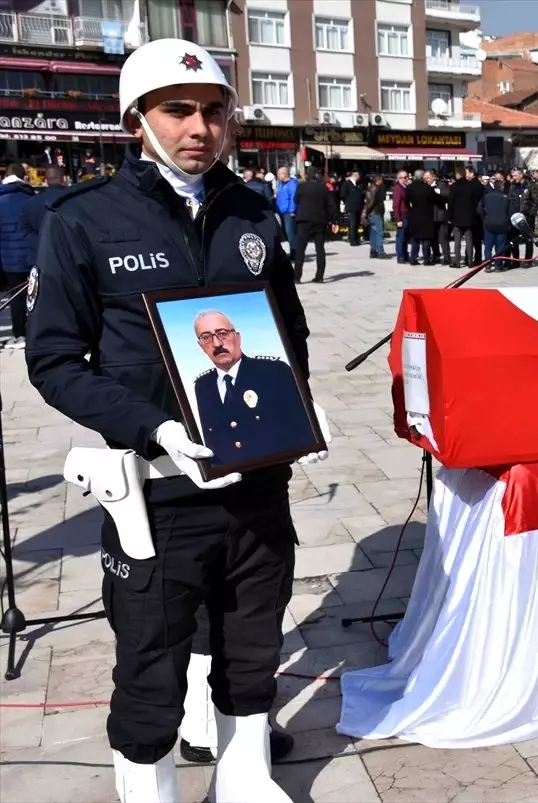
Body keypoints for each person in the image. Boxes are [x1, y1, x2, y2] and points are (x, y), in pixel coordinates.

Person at [24, 39, 329, 801]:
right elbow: (55, 359)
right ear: (137, 119)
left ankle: (245, 775)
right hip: (158, 494)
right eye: (178, 110)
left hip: (257, 478)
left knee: (253, 642)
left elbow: (286, 328)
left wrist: (298, 396)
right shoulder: (83, 220)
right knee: (152, 665)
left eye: (214, 111)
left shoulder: (252, 212)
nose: (201, 126)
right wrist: (152, 426)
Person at [192, 310, 317, 466]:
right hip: (226, 478)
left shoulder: (274, 372)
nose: (217, 343)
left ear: (237, 337)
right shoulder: (203, 386)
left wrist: (310, 442)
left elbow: (299, 424)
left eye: (222, 333)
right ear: (201, 345)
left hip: (269, 473)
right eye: (206, 337)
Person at [0, 162, 37, 350]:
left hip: (9, 259)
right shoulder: (29, 198)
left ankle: (20, 334)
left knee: (16, 299)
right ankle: (40, 332)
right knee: (37, 296)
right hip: (32, 255)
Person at [293, 167, 336, 282]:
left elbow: (296, 200)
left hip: (304, 219)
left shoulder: (302, 186)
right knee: (320, 249)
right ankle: (319, 276)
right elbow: (331, 205)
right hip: (320, 220)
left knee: (300, 249)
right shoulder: (323, 188)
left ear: (307, 175)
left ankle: (297, 277)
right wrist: (334, 220)